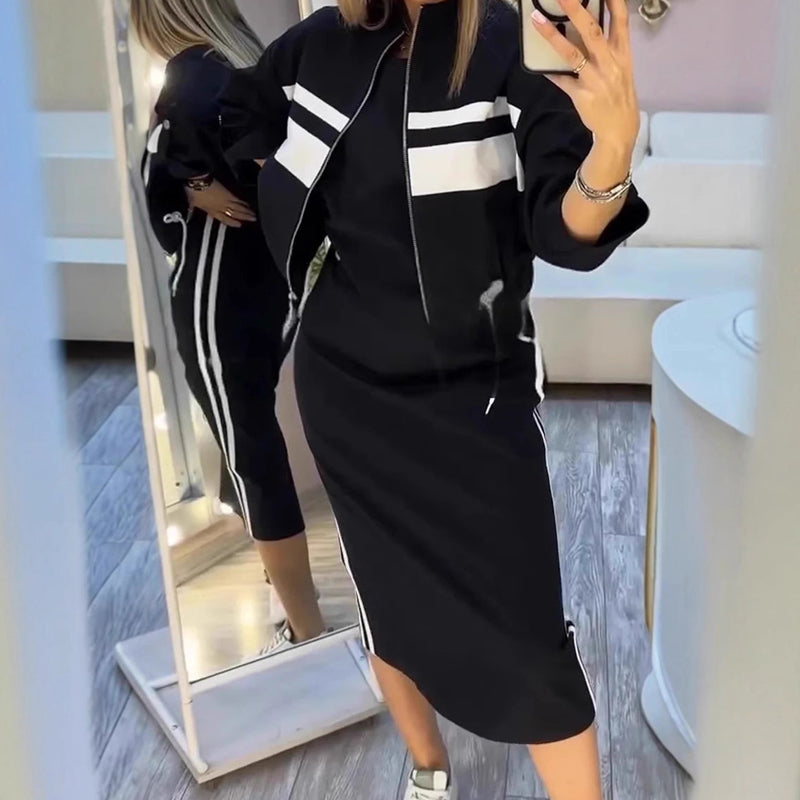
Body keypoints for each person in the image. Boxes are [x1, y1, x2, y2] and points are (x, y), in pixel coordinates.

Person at [221, 0, 648, 796]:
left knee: (529, 643)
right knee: (386, 605)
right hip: (345, 393)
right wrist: (292, 224)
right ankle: (428, 772)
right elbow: (237, 116)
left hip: (474, 404)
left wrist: (612, 151)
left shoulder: (515, 45)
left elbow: (561, 232)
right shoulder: (321, 43)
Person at [131, 0, 325, 651]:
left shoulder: (189, 78)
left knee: (250, 456)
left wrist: (181, 185)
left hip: (219, 298)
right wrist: (192, 184)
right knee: (250, 445)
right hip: (268, 291)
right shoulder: (249, 68)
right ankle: (292, 601)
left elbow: (157, 191)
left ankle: (306, 627)